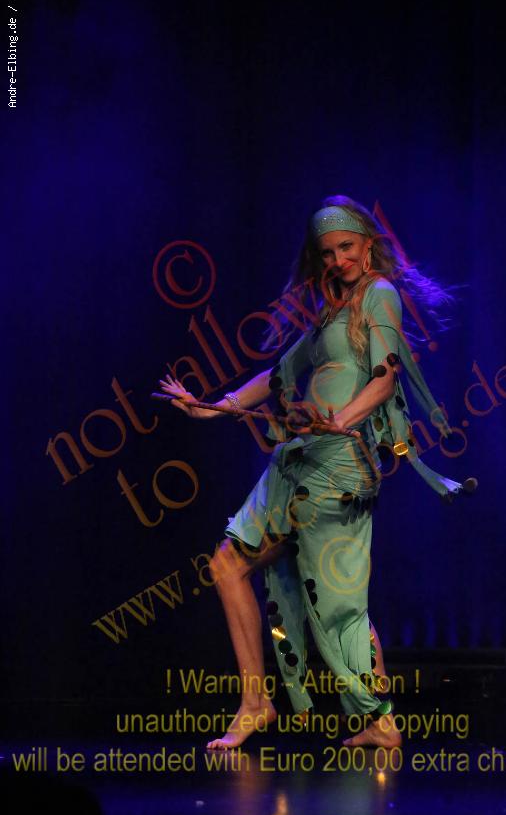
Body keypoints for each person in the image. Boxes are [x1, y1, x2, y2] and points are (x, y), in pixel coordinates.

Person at [159, 195, 476, 750]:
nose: (337, 260)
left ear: (368, 244)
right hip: (300, 458)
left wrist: (340, 420)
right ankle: (255, 704)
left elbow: (385, 379)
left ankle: (381, 721)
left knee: (337, 607)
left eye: (346, 247)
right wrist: (213, 406)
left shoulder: (379, 294)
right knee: (226, 564)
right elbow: (280, 373)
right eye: (327, 253)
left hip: (340, 466)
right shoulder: (334, 310)